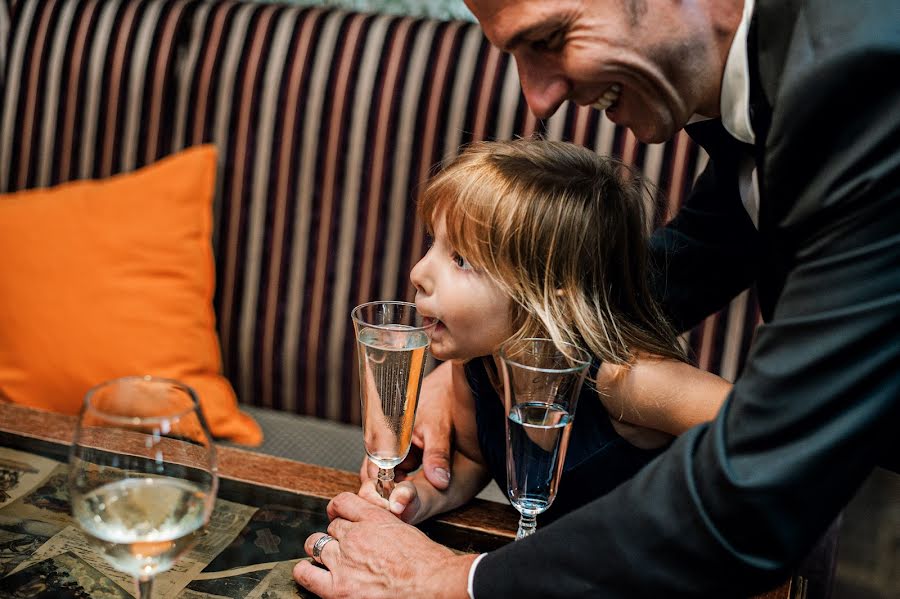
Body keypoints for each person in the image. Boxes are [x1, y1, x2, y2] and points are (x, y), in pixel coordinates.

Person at [293, 0, 900, 596]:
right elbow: (706, 243)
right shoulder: (769, 95)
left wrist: (448, 580)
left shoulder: (860, 87)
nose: (538, 99)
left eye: (549, 37)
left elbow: (766, 461)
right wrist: (519, 330)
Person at [359, 139, 731, 527]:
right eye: (433, 243)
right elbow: (472, 460)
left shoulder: (625, 379)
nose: (418, 272)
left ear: (549, 289)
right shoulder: (475, 363)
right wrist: (420, 496)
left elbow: (767, 430)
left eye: (461, 260)